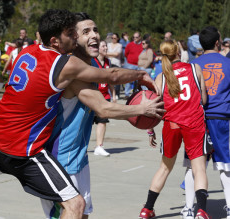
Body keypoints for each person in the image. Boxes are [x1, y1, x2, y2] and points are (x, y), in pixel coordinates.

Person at [0, 9, 162, 219]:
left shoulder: (29, 51)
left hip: (2, 136)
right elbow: (107, 96)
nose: (85, 36)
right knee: (74, 206)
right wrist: (142, 99)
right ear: (55, 41)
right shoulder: (66, 65)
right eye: (75, 33)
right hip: (37, 151)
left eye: (94, 30)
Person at [40, 12, 165, 219]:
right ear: (73, 38)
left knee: (84, 213)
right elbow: (103, 109)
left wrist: (147, 120)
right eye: (86, 31)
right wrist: (142, 109)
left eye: (96, 30)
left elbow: (114, 75)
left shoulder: (94, 66)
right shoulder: (71, 68)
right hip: (60, 158)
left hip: (78, 157)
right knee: (71, 212)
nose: (94, 35)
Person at [138, 40, 210, 219]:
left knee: (164, 168)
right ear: (179, 52)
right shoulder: (195, 69)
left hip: (172, 125)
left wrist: (150, 130)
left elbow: (155, 109)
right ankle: (201, 211)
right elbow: (204, 99)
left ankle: (147, 209)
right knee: (199, 168)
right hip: (193, 122)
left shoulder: (161, 77)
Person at [182, 26, 230, 219]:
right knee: (225, 165)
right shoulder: (227, 63)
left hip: (197, 119)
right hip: (221, 119)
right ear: (218, 42)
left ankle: (187, 209)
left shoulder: (193, 65)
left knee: (193, 165)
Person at [124, 31, 143, 99]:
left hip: (139, 65)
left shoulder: (142, 45)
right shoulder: (129, 44)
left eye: (136, 37)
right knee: (128, 79)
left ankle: (135, 92)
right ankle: (127, 93)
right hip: (130, 64)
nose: (135, 38)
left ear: (140, 37)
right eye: (134, 37)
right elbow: (126, 54)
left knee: (137, 80)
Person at [107, 33, 122, 99]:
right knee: (109, 79)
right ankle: (110, 93)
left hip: (116, 63)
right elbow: (105, 53)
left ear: (117, 38)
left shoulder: (119, 45)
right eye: (112, 38)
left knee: (117, 79)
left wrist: (108, 54)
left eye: (114, 38)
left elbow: (117, 54)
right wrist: (111, 54)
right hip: (109, 63)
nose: (113, 39)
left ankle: (117, 94)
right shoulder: (108, 45)